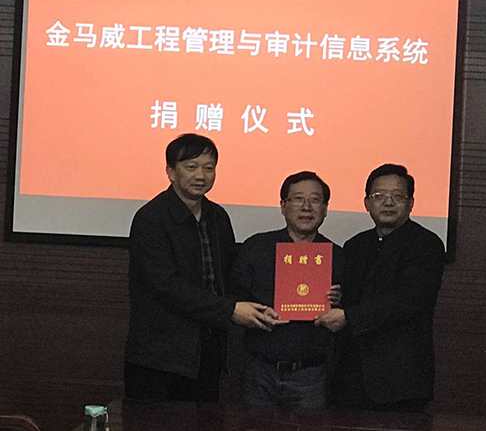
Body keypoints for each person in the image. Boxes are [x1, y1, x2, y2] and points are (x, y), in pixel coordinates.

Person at [124, 133, 282, 402]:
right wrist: (230, 310)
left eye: (209, 168)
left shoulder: (217, 216)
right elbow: (166, 286)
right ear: (171, 172)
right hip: (160, 356)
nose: (201, 175)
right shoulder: (151, 219)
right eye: (191, 167)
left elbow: (229, 276)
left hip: (208, 352)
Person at [315, 164, 445, 412]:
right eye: (379, 196)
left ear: (411, 203)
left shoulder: (426, 244)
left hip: (400, 379)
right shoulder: (355, 245)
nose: (388, 202)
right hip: (351, 375)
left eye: (397, 196)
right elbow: (354, 297)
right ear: (366, 203)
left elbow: (409, 301)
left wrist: (348, 316)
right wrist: (338, 298)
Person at [229, 171, 343, 409]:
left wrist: (339, 301)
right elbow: (233, 298)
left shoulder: (337, 256)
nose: (306, 207)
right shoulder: (256, 247)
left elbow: (349, 313)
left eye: (315, 200)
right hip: (259, 369)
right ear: (283, 206)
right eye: (298, 199)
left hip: (311, 375)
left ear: (325, 209)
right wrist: (253, 314)